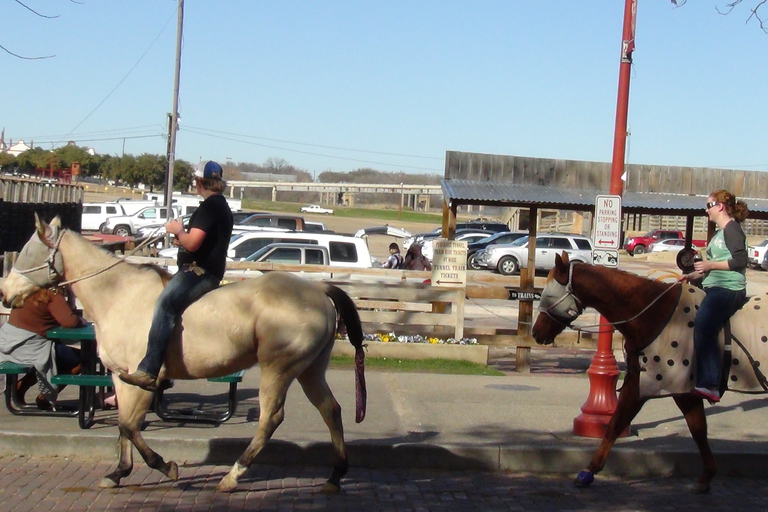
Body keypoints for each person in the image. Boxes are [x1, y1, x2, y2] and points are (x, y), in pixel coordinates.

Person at [120, 160, 234, 392]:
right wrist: (180, 238)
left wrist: (178, 231)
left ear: (200, 182)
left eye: (195, 180)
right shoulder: (218, 205)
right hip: (203, 269)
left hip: (200, 272)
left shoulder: (210, 207)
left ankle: (150, 371)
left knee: (165, 304)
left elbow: (192, 243)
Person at [680, 189, 749, 404]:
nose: (706, 210)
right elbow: (711, 268)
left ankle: (710, 384)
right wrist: (692, 275)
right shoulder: (719, 234)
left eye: (709, 205)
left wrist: (710, 264)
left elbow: (740, 260)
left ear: (720, 206)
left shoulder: (732, 229)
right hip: (714, 285)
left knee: (704, 326)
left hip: (729, 289)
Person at [0, 287, 85, 409]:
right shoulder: (51, 293)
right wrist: (80, 320)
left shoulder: (26, 290)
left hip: (9, 345)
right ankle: (45, 397)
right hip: (32, 348)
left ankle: (21, 387)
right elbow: (70, 322)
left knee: (54, 356)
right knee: (85, 359)